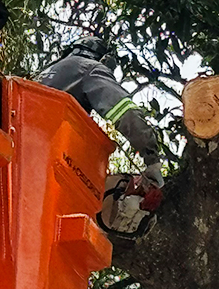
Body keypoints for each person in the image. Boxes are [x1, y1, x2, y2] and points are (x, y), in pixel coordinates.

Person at [38, 36, 164, 236]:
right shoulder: (89, 68)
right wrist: (152, 160)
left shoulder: (45, 75)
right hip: (48, 155)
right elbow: (125, 113)